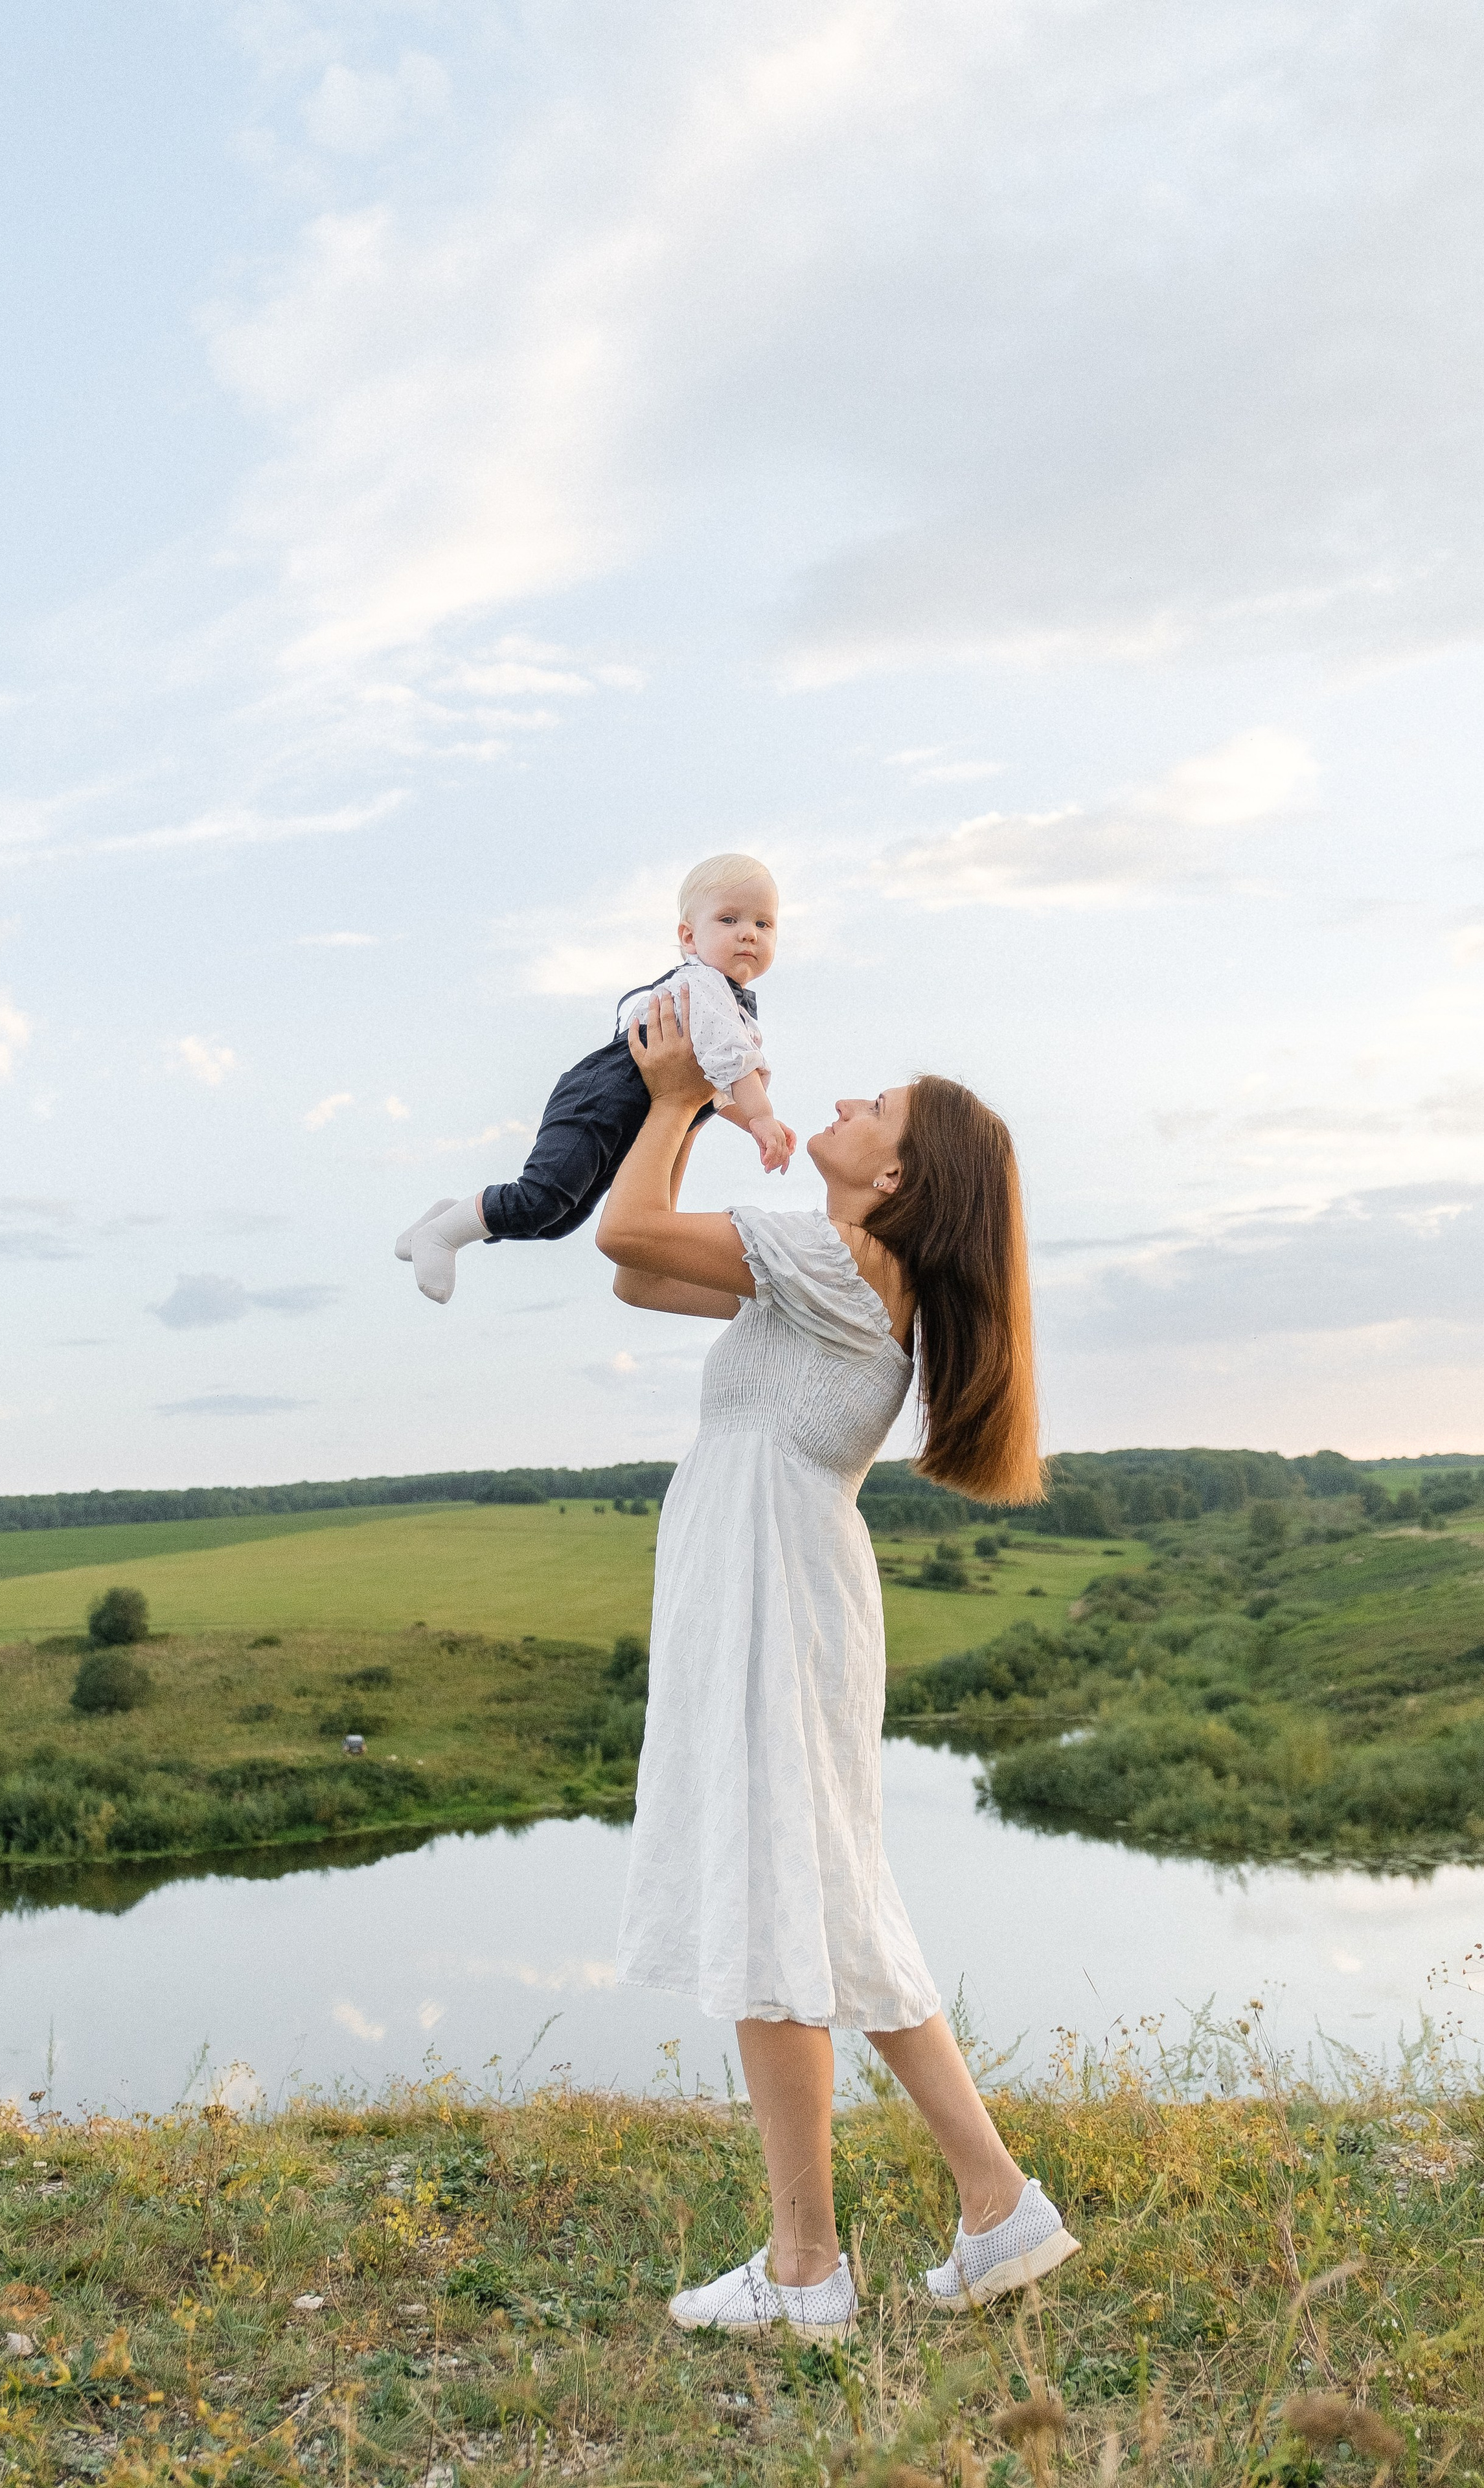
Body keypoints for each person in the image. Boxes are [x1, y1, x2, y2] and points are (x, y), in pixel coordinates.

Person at [596, 990, 1077, 2340]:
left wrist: (680, 1095)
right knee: (831, 1903)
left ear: (895, 1177)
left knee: (773, 1908)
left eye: (877, 1111)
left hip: (770, 1596)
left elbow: (621, 1229)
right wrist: (682, 1117)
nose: (848, 1103)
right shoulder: (835, 1274)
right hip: (777, 1586)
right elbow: (640, 1271)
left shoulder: (827, 1263)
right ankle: (997, 2207)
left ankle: (804, 2270)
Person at [394, 855, 793, 1302]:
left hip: (634, 1114)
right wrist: (763, 1119)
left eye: (764, 924)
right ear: (689, 937)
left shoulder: (736, 1011)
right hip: (602, 1097)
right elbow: (736, 1066)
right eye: (729, 919)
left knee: (559, 1218)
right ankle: (444, 1237)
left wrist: (754, 1125)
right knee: (543, 1199)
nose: (749, 933)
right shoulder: (704, 986)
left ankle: (450, 1216)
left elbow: (719, 1090)